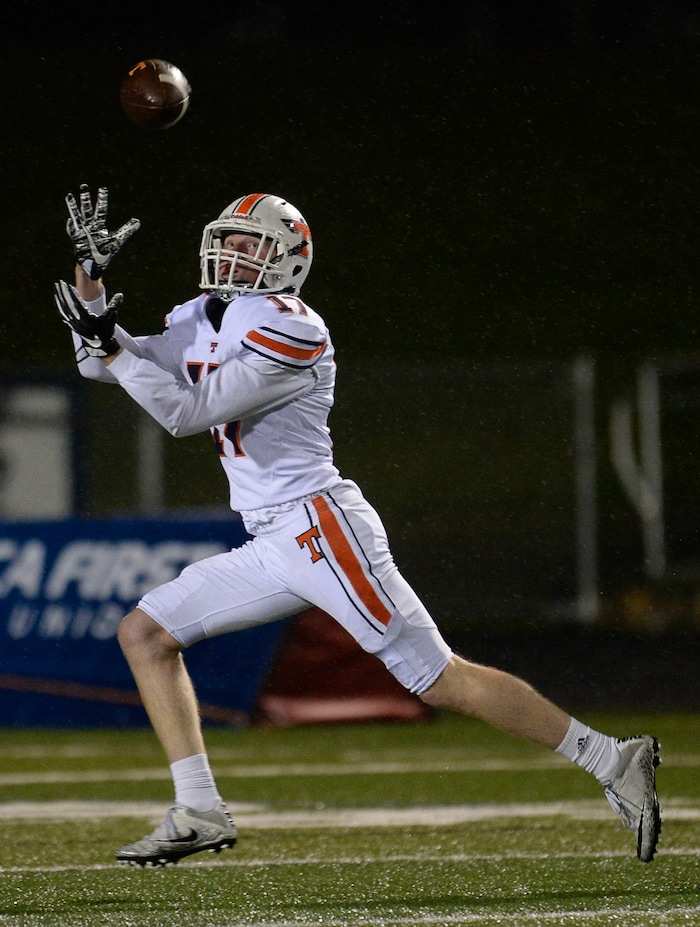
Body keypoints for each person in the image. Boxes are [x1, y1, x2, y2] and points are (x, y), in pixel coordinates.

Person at [54, 185, 661, 868]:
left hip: (321, 529)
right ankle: (198, 808)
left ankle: (613, 758)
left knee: (437, 678)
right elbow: (100, 361)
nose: (231, 251)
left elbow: (187, 411)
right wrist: (93, 284)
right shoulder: (203, 313)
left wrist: (110, 343)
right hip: (270, 538)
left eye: (249, 242)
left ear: (288, 260)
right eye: (226, 238)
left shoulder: (293, 325)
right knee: (145, 632)